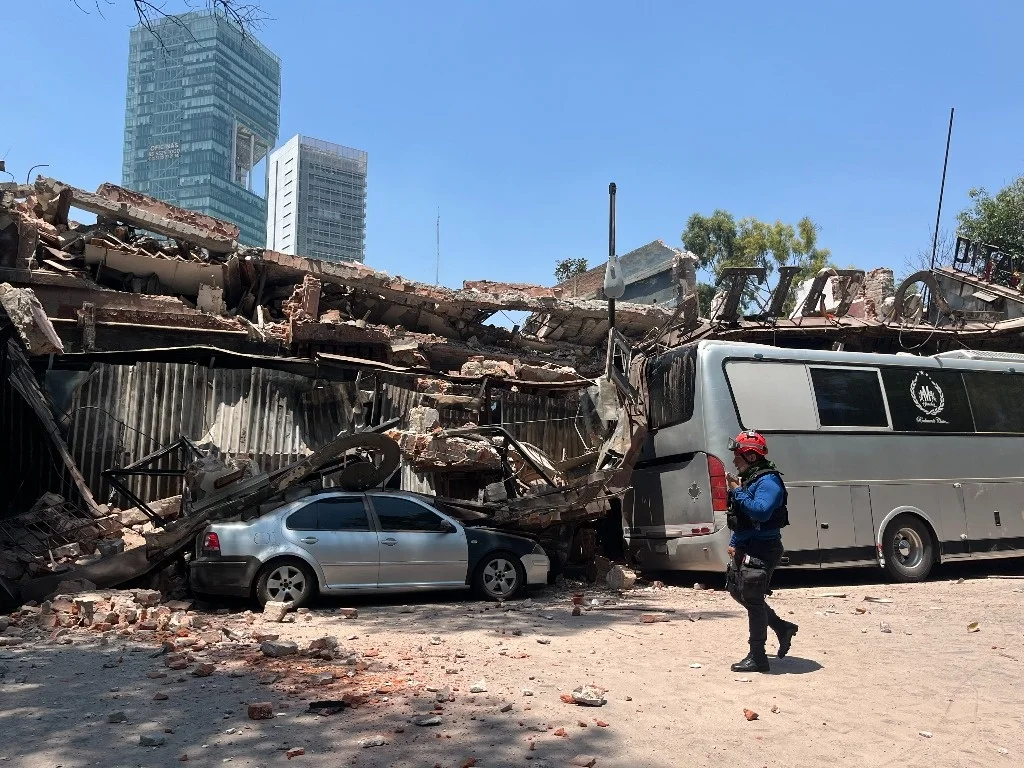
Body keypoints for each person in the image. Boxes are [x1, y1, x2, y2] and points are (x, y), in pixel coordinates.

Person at [724, 430, 798, 673]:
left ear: (752, 457)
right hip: (747, 545)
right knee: (738, 592)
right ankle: (781, 627)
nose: (734, 460)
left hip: (764, 548)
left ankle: (758, 656)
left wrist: (736, 490)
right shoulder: (752, 479)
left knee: (753, 600)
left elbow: (760, 511)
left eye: (738, 456)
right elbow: (742, 518)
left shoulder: (768, 481)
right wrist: (734, 542)